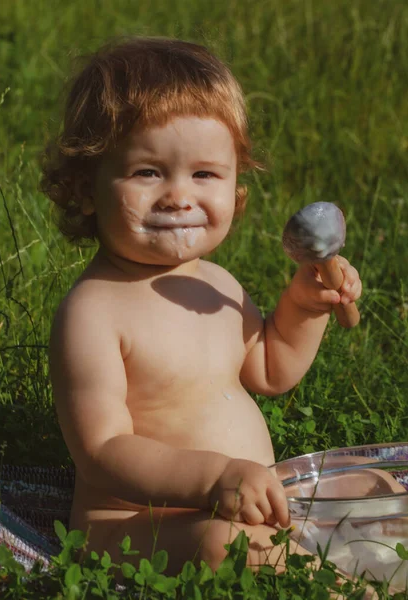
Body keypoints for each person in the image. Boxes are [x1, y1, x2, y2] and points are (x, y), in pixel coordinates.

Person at [41, 37, 362, 575]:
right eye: (148, 172)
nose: (179, 196)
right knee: (227, 546)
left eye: (204, 174)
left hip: (246, 495)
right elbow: (102, 448)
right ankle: (350, 585)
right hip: (135, 527)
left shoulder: (217, 283)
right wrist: (212, 480)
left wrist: (304, 308)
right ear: (85, 188)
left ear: (236, 188)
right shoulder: (92, 312)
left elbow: (269, 369)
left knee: (369, 484)